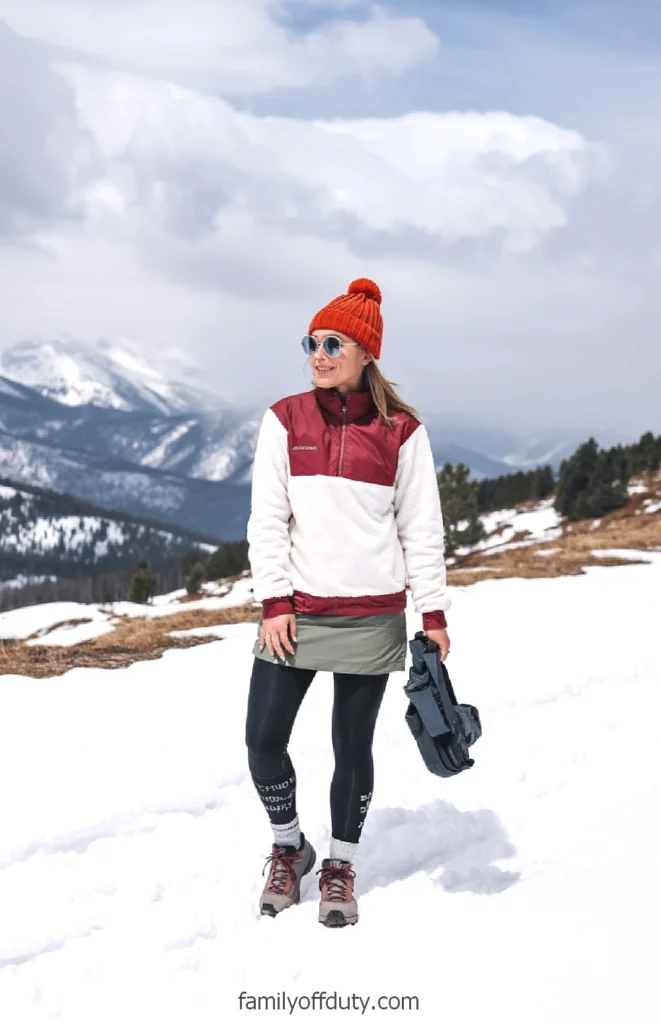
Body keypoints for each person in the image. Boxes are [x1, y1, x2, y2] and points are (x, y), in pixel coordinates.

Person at [245, 277, 451, 928]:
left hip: (371, 617)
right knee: (262, 741)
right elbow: (266, 520)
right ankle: (290, 847)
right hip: (296, 614)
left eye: (333, 343)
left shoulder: (402, 432)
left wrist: (434, 614)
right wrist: (274, 601)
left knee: (351, 748)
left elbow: (422, 530)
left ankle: (340, 864)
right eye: (312, 342)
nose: (319, 354)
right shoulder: (284, 419)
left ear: (365, 352)